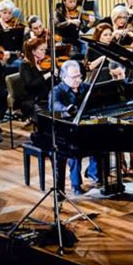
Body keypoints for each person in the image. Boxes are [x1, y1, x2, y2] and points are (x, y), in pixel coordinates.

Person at [48, 61, 99, 194]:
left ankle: (94, 172)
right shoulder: (57, 91)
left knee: (102, 142)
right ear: (63, 77)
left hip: (85, 127)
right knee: (74, 152)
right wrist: (66, 109)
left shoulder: (85, 87)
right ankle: (76, 185)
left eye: (79, 76)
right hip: (65, 131)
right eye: (74, 77)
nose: (78, 80)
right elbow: (54, 105)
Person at [18, 36, 53, 120]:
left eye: (45, 49)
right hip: (33, 99)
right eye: (41, 50)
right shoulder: (24, 66)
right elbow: (30, 84)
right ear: (33, 51)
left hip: (46, 96)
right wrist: (46, 75)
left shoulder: (42, 63)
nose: (44, 52)